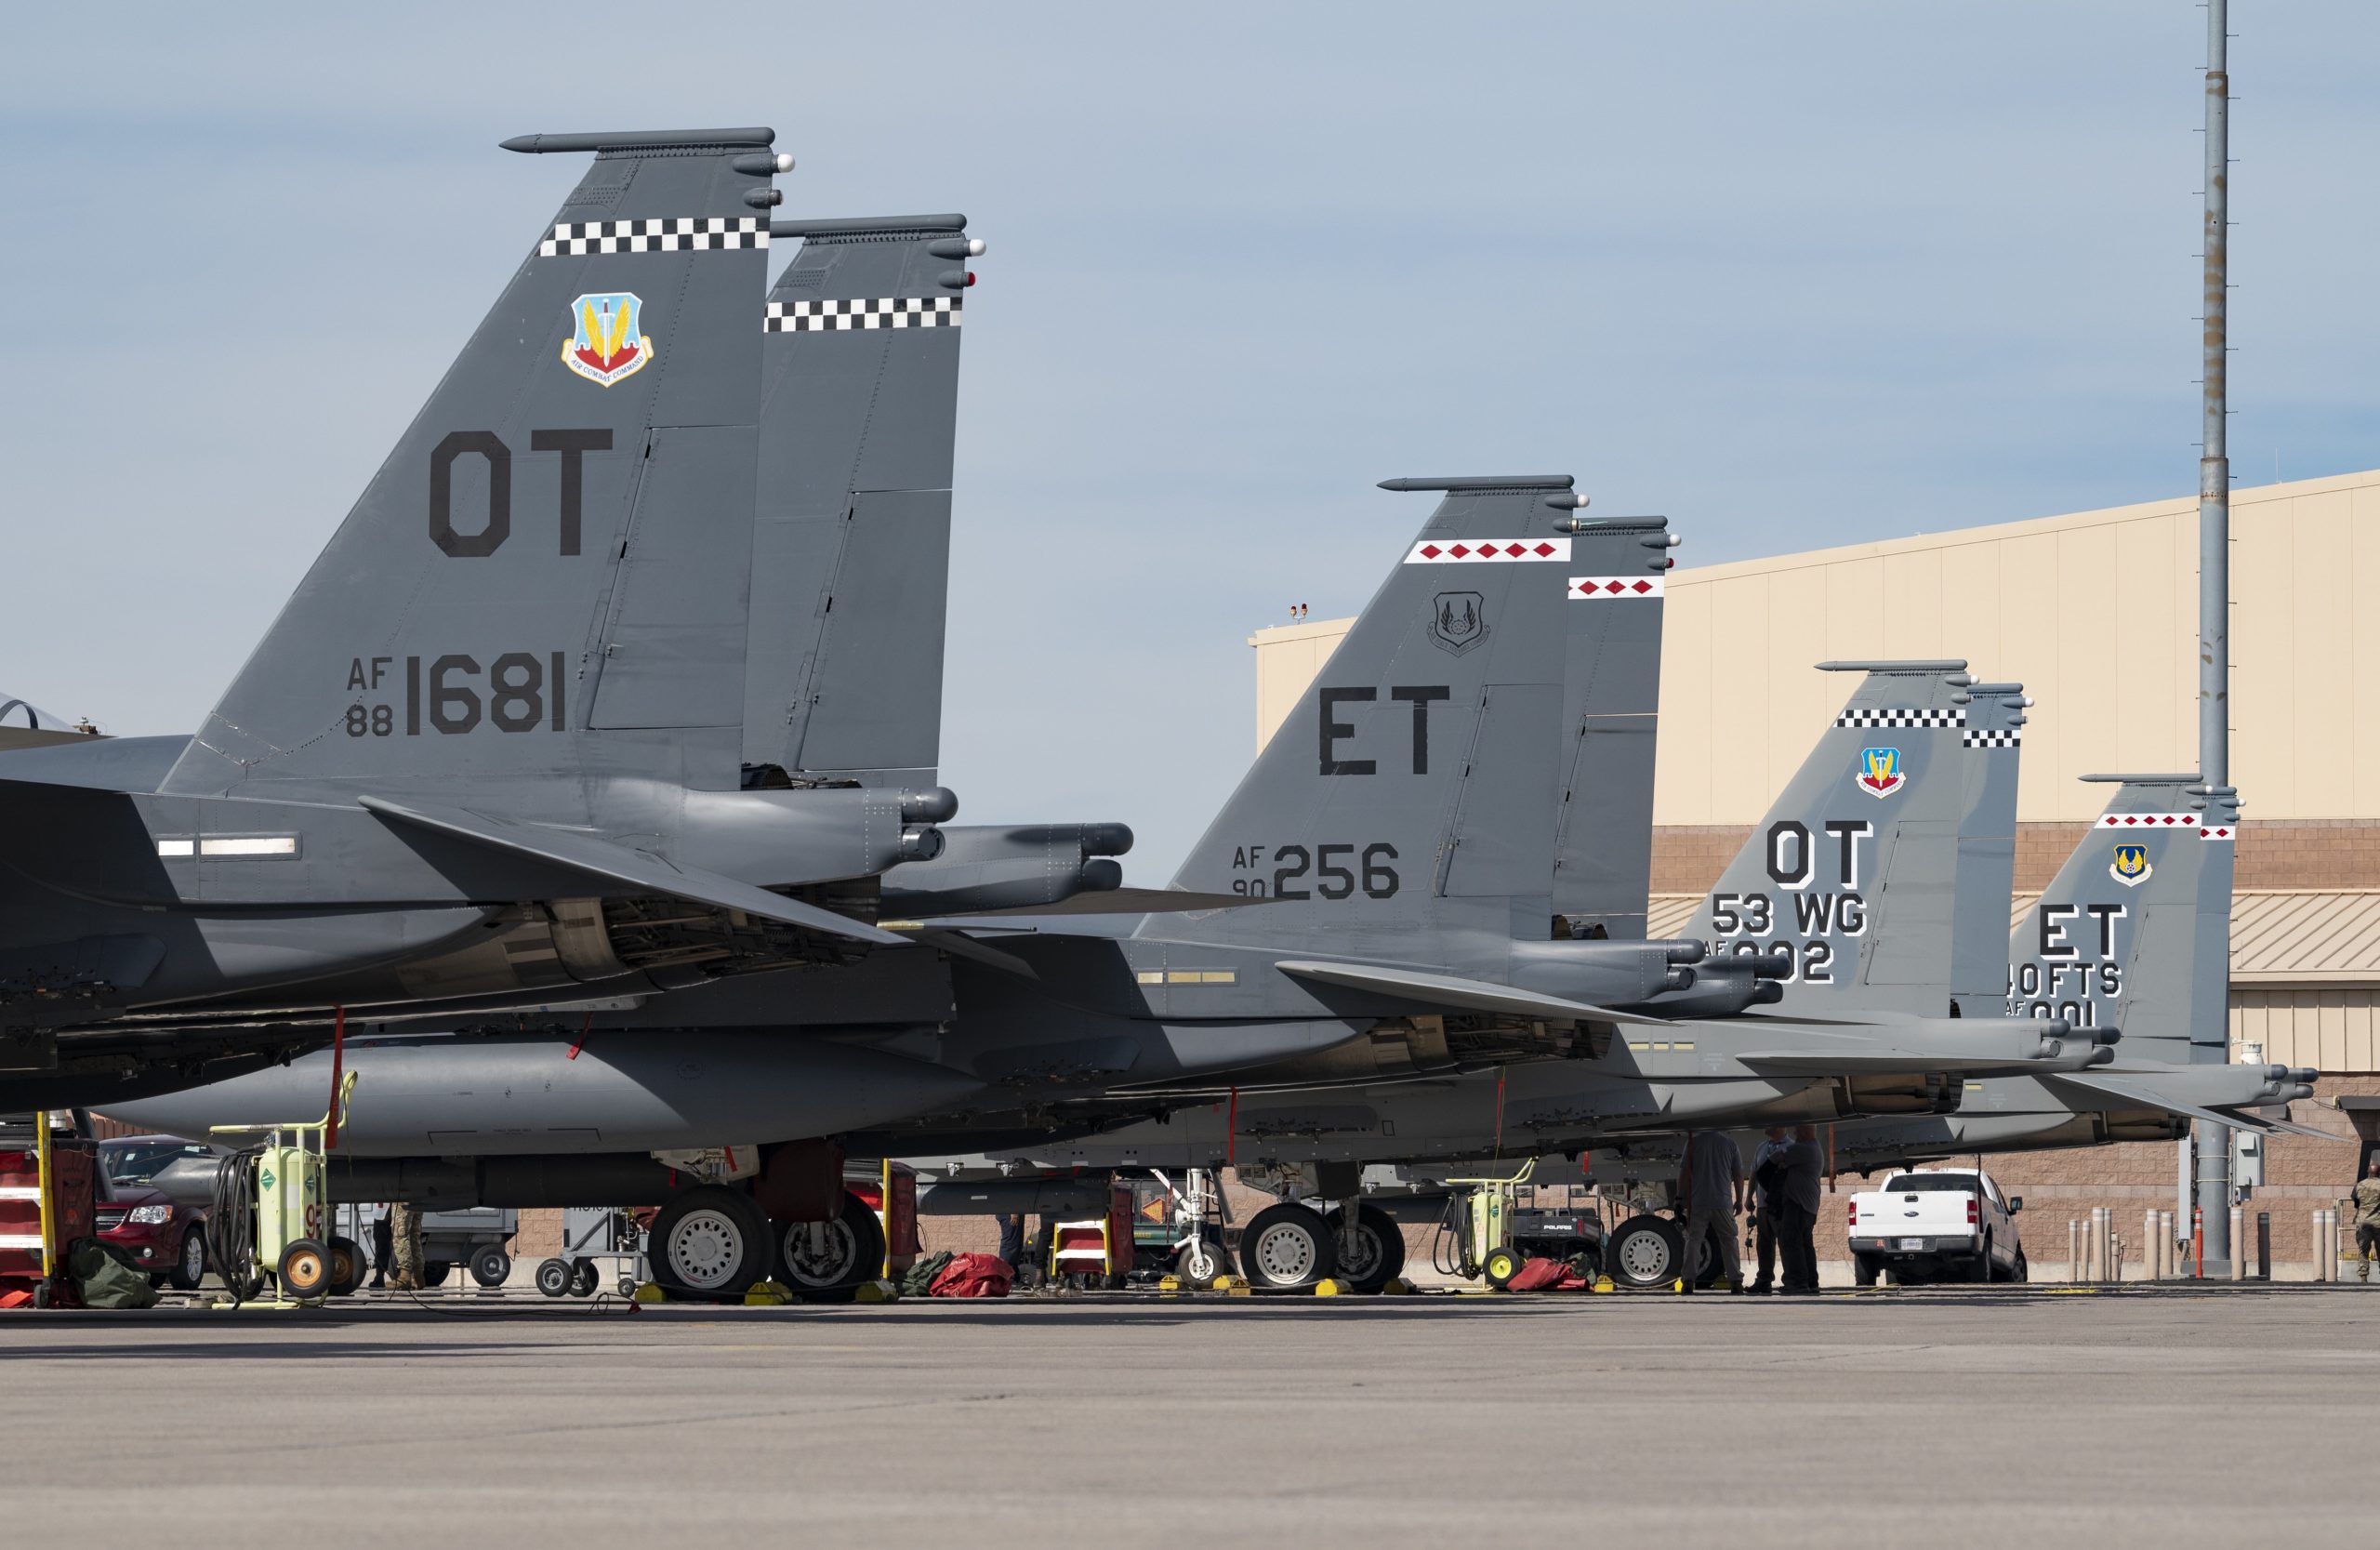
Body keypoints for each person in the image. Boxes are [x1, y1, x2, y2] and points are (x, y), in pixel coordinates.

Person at [1675, 1130, 1745, 1293]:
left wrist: (1679, 1197)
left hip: (1698, 1202)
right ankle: (1735, 1281)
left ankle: (1688, 1281)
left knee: (1694, 1241)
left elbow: (1684, 1172)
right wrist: (1739, 1199)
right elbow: (1738, 1173)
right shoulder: (1730, 1144)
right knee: (1729, 1241)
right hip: (1722, 1202)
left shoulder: (1692, 1143)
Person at [1776, 1125, 1825, 1293]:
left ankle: (1797, 1282)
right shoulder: (1815, 1148)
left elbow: (1776, 1158)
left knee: (1790, 1241)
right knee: (1805, 1244)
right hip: (1809, 1206)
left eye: (1797, 1131)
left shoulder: (1802, 1149)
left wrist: (1782, 1162)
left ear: (1806, 1132)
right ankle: (1811, 1281)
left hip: (1798, 1204)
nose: (1795, 1135)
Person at [1746, 1126, 1791, 1294]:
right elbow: (1754, 1173)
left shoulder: (1790, 1147)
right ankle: (1764, 1280)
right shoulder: (1762, 1147)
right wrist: (1749, 1197)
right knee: (1763, 1243)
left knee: (1785, 1242)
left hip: (1780, 1204)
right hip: (1763, 1205)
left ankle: (1789, 1279)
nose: (1765, 1126)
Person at [2355, 1157, 2380, 1283]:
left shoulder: (2360, 1185)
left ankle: (2363, 1275)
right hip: (2378, 1222)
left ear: (2368, 1172)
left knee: (2363, 1250)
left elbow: (2355, 1201)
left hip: (2363, 1222)